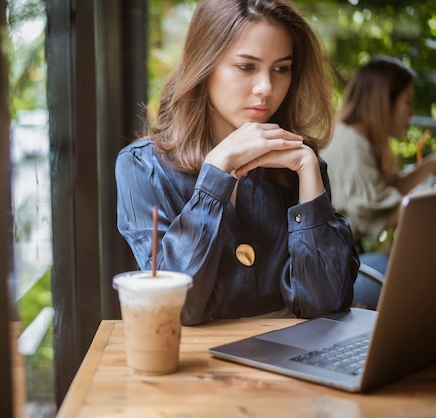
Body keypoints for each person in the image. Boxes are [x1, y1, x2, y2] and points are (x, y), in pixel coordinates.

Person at [115, 0, 359, 325]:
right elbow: (178, 307)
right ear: (205, 65)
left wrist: (309, 172)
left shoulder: (297, 166)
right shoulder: (142, 167)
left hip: (288, 362)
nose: (266, 88)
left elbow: (324, 304)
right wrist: (216, 175)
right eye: (246, 67)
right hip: (194, 367)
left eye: (281, 68)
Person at [322, 56, 436, 254]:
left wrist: (432, 163)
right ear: (384, 101)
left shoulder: (352, 137)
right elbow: (381, 215)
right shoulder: (352, 147)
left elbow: (388, 190)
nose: (412, 113)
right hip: (336, 266)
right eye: (407, 102)